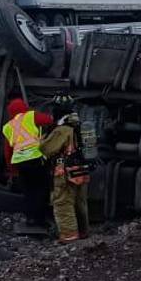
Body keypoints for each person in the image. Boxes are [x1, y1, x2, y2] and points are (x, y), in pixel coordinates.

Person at [39, 95, 90, 243]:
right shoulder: (81, 126)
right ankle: (83, 232)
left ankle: (69, 235)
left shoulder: (62, 130)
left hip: (65, 172)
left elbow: (46, 149)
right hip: (81, 170)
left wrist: (44, 137)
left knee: (62, 202)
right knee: (80, 202)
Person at [1, 98, 52, 235]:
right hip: (35, 159)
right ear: (24, 108)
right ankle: (41, 220)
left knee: (28, 192)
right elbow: (49, 120)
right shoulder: (31, 116)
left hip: (20, 163)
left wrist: (13, 171)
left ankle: (30, 219)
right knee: (41, 189)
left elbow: (7, 152)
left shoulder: (8, 126)